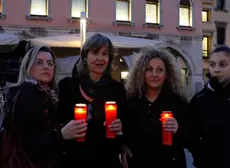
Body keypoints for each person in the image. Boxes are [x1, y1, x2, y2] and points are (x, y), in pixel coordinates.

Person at [5, 46, 84, 168]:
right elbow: (30, 144)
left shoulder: (49, 94)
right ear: (28, 67)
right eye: (39, 62)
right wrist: (62, 134)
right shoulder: (26, 95)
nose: (46, 66)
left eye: (50, 63)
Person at [58, 33, 127, 168]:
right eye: (95, 53)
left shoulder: (117, 89)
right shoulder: (68, 86)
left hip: (107, 159)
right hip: (74, 160)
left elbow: (126, 125)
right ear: (85, 56)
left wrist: (120, 128)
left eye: (105, 54)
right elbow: (57, 121)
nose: (100, 58)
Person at [122, 49, 188, 168]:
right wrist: (123, 147)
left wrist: (178, 129)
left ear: (167, 73)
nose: (154, 74)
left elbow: (191, 138)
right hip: (138, 162)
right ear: (142, 72)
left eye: (159, 70)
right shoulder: (131, 101)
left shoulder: (178, 102)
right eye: (149, 69)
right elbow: (123, 132)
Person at [187, 46, 230, 168]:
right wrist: (200, 155)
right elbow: (190, 132)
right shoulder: (200, 99)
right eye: (212, 64)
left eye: (223, 65)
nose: (216, 69)